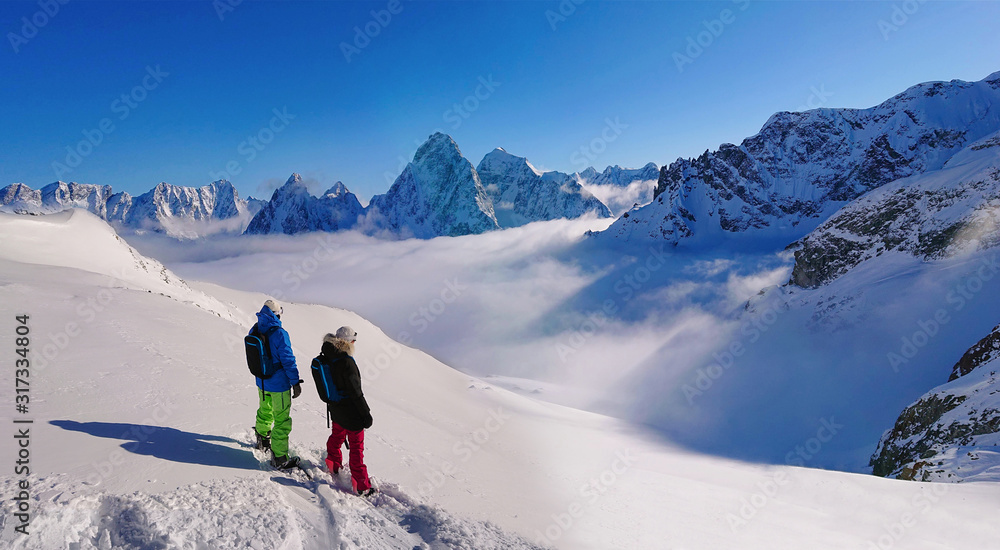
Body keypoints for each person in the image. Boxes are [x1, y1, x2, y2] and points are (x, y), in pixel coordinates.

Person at [317, 326, 375, 496]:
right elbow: (356, 392)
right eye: (353, 341)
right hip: (351, 412)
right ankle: (362, 485)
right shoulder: (346, 362)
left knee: (337, 436)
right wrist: (366, 414)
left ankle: (332, 463)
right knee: (356, 448)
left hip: (335, 408)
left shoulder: (328, 355)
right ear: (348, 341)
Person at [250, 299, 303, 469]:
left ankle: (262, 439)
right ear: (276, 314)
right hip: (279, 384)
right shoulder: (280, 333)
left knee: (265, 410)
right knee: (282, 419)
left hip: (261, 381)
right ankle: (279, 457)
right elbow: (288, 360)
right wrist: (295, 382)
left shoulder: (256, 327)